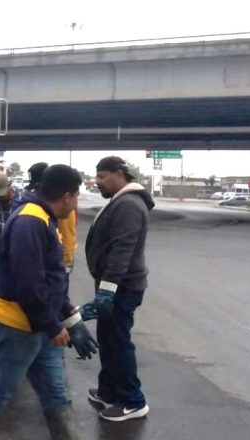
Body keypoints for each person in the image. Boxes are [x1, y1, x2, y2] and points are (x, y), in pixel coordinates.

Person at [0, 165, 98, 440]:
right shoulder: (30, 221)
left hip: (38, 323)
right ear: (67, 196)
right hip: (18, 326)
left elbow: (51, 279)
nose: (75, 205)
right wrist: (52, 326)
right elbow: (29, 284)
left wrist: (70, 318)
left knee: (54, 392)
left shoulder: (43, 218)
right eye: (77, 198)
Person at [84, 156, 154, 422]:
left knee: (118, 342)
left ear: (119, 174)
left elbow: (122, 250)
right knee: (109, 339)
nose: (98, 182)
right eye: (97, 176)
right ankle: (109, 391)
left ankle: (132, 400)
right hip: (114, 286)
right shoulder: (120, 201)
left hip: (121, 287)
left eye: (103, 177)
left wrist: (107, 290)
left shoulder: (128, 204)